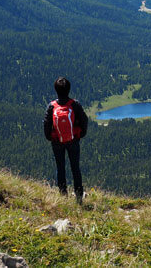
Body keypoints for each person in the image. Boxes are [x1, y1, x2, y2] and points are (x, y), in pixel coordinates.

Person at [43, 76, 88, 204]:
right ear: (69, 89)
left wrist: (50, 137)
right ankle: (79, 197)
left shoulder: (51, 106)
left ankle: (63, 196)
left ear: (56, 90)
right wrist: (81, 134)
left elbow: (46, 123)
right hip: (73, 140)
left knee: (60, 167)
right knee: (75, 168)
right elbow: (84, 120)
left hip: (57, 141)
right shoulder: (74, 104)